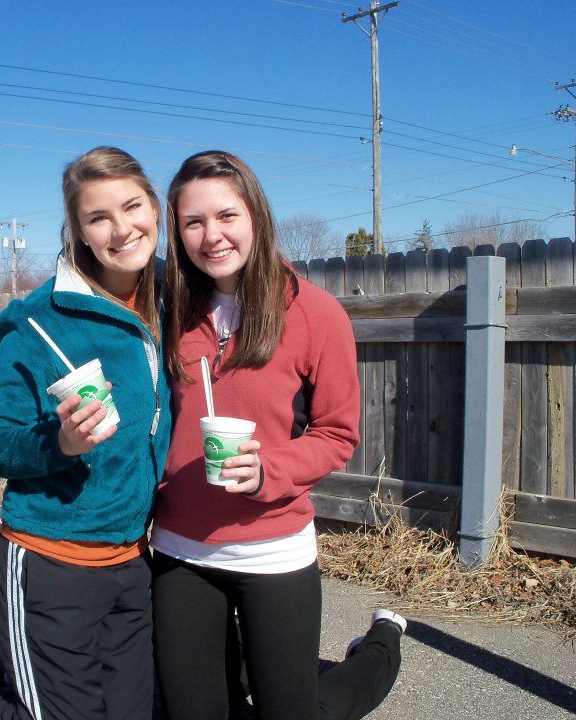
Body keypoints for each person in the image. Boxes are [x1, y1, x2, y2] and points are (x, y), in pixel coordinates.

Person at [0, 146, 171, 720]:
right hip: (51, 562)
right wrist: (60, 442)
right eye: (99, 218)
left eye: (133, 206)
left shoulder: (169, 302)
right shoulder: (37, 323)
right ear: (77, 231)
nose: (122, 228)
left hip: (133, 560)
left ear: (156, 206)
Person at [150, 150, 405, 720]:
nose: (211, 235)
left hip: (273, 550)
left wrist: (272, 471)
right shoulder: (168, 313)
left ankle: (381, 645)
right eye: (193, 222)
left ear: (256, 217)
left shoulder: (315, 312)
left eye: (226, 216)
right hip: (179, 552)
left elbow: (338, 433)